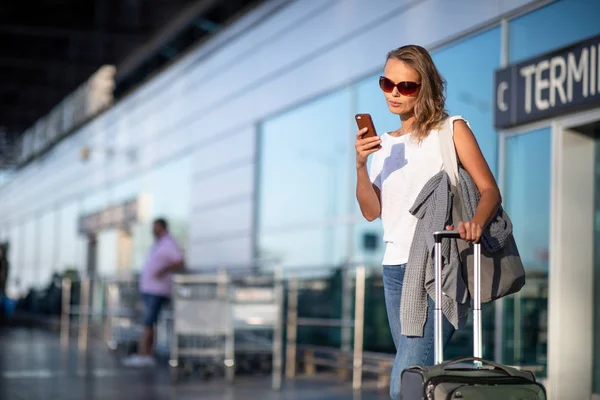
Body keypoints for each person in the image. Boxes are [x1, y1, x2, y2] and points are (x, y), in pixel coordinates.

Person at [354, 45, 501, 399]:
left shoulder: (451, 129)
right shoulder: (383, 146)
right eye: (387, 83)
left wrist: (476, 224)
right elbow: (371, 211)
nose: (394, 93)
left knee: (404, 382)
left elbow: (489, 190)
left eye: (406, 86)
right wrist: (360, 165)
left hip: (441, 264)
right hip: (395, 269)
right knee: (418, 378)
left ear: (427, 87)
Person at [123, 218, 184, 367]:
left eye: (155, 227)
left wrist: (163, 270)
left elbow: (180, 261)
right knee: (149, 323)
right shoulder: (158, 244)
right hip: (149, 289)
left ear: (162, 227)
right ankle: (146, 353)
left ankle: (145, 354)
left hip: (158, 290)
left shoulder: (169, 243)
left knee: (148, 322)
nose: (153, 230)